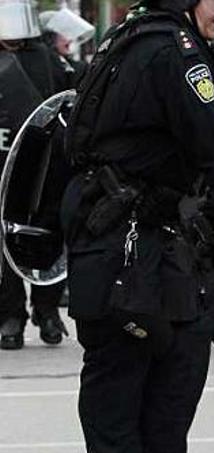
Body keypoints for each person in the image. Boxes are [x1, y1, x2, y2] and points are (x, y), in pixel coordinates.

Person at [59, 0, 214, 453]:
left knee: (172, 385)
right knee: (124, 416)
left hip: (149, 249)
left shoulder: (134, 36)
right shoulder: (174, 53)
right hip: (129, 253)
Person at [0, 0, 69, 350]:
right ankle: (10, 313)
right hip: (2, 163)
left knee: (45, 232)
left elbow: (64, 100)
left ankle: (47, 310)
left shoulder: (43, 56)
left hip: (42, 164)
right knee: (4, 240)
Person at [39, 7, 93, 87]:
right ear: (49, 37)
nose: (70, 39)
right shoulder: (43, 67)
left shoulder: (72, 65)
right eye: (64, 33)